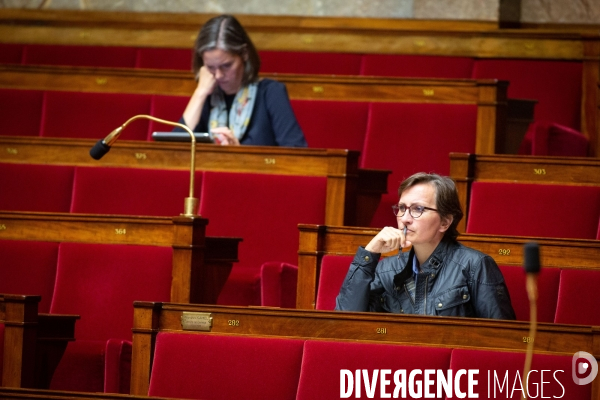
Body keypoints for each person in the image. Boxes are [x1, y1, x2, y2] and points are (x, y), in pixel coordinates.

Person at [335, 172, 515, 320]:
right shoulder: (386, 269)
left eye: (417, 209)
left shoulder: (475, 266)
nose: (405, 218)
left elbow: (501, 340)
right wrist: (369, 254)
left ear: (445, 222)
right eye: (402, 208)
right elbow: (344, 322)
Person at [174, 14, 307, 147]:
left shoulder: (271, 93)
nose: (218, 75)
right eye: (210, 67)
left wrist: (240, 155)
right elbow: (172, 152)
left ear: (244, 54)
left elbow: (297, 154)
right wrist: (200, 93)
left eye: (226, 66)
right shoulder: (206, 98)